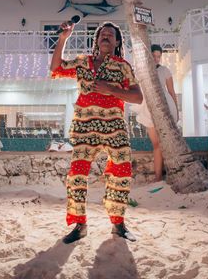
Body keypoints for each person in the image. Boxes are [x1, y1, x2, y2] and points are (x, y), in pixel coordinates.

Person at [51, 21, 143, 244]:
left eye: (111, 35)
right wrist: (63, 38)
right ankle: (80, 224)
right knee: (76, 175)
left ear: (117, 42)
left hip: (115, 127)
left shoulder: (123, 66)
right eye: (103, 34)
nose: (107, 37)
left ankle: (118, 224)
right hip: (85, 128)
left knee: (121, 173)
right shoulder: (83, 61)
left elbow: (137, 97)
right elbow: (56, 68)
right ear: (97, 39)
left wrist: (111, 89)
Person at [135, 44, 180, 182]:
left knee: (169, 143)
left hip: (166, 105)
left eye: (158, 56)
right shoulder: (142, 71)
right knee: (156, 144)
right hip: (149, 107)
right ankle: (158, 177)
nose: (156, 59)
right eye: (153, 56)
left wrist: (177, 111)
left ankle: (172, 175)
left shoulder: (165, 70)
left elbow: (171, 92)